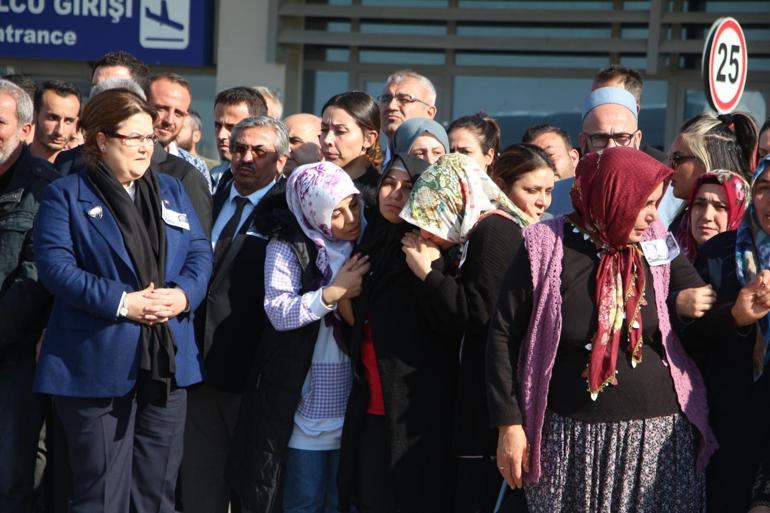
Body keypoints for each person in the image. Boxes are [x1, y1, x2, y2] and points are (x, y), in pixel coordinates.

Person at [485, 147, 756, 513]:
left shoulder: (656, 239)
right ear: (613, 195)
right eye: (643, 203)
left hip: (655, 440)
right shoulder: (544, 244)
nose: (651, 216)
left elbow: (698, 315)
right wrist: (509, 424)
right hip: (570, 445)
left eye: (656, 204)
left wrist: (735, 314)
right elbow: (502, 335)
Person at [33, 89, 212, 513]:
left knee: (157, 494)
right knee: (100, 495)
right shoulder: (66, 194)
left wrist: (184, 295)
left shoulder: (172, 189)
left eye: (149, 137)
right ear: (100, 140)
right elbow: (57, 268)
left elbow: (200, 252)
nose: (146, 147)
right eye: (134, 138)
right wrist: (122, 303)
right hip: (95, 363)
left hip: (166, 363)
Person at [228, 162, 370, 513]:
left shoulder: (367, 241)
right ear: (312, 212)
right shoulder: (287, 245)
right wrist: (333, 292)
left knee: (340, 499)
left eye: (353, 204)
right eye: (335, 213)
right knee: (303, 499)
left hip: (351, 394)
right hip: (301, 393)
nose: (350, 218)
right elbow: (279, 311)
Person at [398, 153, 531, 513]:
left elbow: (479, 315)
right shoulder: (473, 234)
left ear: (455, 200)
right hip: (477, 399)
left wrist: (428, 273)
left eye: (429, 217)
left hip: (490, 408)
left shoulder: (494, 231)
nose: (426, 231)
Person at [337, 153, 458, 513]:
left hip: (414, 413)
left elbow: (449, 322)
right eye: (389, 183)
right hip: (370, 404)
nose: (395, 194)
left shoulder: (428, 250)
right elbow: (359, 319)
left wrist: (428, 273)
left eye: (409, 187)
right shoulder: (373, 242)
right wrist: (343, 293)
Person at [182, 116, 288, 513]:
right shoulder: (207, 195)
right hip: (196, 369)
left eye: (258, 151)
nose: (245, 158)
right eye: (239, 148)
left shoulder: (287, 211)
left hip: (251, 376)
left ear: (280, 160)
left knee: (251, 494)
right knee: (199, 489)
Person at [692, 155, 770, 512]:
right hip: (732, 419)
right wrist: (735, 318)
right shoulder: (718, 253)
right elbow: (689, 338)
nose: (769, 201)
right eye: (764, 189)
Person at [0, 78, 59, 513]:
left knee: (10, 479)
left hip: (15, 361)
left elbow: (38, 276)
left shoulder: (46, 190)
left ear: (25, 130)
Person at [53, 81, 213, 235]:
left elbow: (198, 249)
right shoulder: (67, 184)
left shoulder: (180, 181)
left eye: (149, 138)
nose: (168, 120)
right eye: (162, 108)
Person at [668, 112, 758, 239]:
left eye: (677, 158)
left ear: (707, 161)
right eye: (700, 205)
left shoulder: (752, 233)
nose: (668, 168)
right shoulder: (680, 226)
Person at [147, 74, 212, 190]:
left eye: (178, 114)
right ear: (143, 104)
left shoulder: (195, 167)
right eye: (161, 109)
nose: (169, 120)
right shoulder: (119, 156)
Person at [320, 92, 383, 208]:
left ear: (368, 139)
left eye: (340, 131)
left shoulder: (381, 197)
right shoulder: (309, 186)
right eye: (324, 129)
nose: (327, 140)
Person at [676, 169, 749, 262]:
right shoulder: (673, 259)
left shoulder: (745, 269)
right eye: (699, 204)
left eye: (720, 207)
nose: (707, 216)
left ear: (738, 215)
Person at [210, 87, 268, 191]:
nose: (221, 136)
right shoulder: (212, 178)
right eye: (217, 126)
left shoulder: (281, 187)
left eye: (232, 127)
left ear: (259, 126)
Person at [489, 144, 556, 221]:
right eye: (532, 191)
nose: (543, 202)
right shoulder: (490, 226)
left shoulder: (553, 225)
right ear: (501, 186)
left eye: (548, 191)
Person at [377, 70, 437, 153]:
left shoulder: (437, 164)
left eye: (404, 99)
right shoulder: (368, 165)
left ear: (429, 113)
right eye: (386, 99)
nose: (391, 106)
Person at [30, 80, 81, 163]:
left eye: (68, 121)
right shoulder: (11, 165)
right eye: (52, 118)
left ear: (76, 123)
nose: (60, 131)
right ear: (34, 115)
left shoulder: (83, 171)